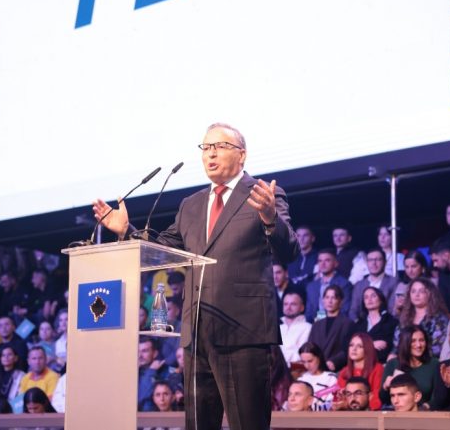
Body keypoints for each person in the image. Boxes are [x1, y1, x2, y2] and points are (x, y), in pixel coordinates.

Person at [92, 123, 299, 430]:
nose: (210, 154)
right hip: (196, 336)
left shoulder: (263, 194)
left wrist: (270, 217)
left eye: (220, 146)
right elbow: (163, 248)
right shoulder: (191, 205)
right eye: (205, 147)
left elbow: (290, 250)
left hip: (243, 333)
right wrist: (127, 230)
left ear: (242, 155)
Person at [380, 325, 438, 409]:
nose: (418, 345)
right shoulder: (392, 364)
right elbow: (383, 399)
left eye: (421, 340)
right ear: (405, 343)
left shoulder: (433, 364)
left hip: (424, 412)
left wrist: (422, 409)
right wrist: (386, 386)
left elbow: (437, 398)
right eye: (413, 341)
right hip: (396, 412)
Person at [390, 279, 449, 359]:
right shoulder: (405, 317)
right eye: (413, 291)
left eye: (421, 291)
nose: (416, 295)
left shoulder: (439, 319)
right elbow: (396, 344)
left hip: (428, 361)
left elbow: (437, 349)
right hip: (403, 360)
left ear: (430, 294)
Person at [307, 285, 354, 372]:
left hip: (336, 369)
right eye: (327, 297)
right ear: (323, 300)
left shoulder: (347, 323)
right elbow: (310, 346)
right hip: (316, 368)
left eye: (334, 298)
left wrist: (335, 361)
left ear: (341, 302)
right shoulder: (317, 324)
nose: (330, 301)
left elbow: (347, 349)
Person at [336, 333, 383, 410]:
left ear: (368, 349)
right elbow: (340, 398)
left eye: (360, 346)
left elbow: (376, 397)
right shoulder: (344, 371)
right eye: (351, 345)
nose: (354, 349)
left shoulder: (377, 368)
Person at [351, 287, 398, 364]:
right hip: (361, 363)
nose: (369, 299)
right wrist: (371, 344)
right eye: (366, 297)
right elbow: (351, 345)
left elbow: (391, 344)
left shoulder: (391, 321)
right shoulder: (358, 323)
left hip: (383, 363)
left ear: (381, 299)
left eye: (373, 296)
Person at [349, 248, 398, 320]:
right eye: (370, 260)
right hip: (363, 324)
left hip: (387, 323)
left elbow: (393, 309)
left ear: (385, 262)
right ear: (367, 263)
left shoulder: (393, 282)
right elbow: (353, 311)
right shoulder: (359, 285)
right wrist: (358, 323)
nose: (374, 263)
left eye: (378, 260)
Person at [305, 249, 352, 322]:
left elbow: (345, 310)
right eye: (320, 261)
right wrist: (318, 321)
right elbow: (309, 313)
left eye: (327, 260)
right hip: (314, 324)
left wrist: (324, 321)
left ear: (335, 263)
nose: (323, 264)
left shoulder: (344, 284)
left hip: (336, 323)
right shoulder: (311, 286)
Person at [279, 291, 312, 364]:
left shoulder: (307, 327)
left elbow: (301, 354)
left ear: (302, 308)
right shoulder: (279, 328)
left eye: (293, 304)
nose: (288, 307)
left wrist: (278, 357)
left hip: (295, 368)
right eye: (286, 304)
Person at [287, 226, 318, 293]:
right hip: (291, 293)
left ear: (312, 238)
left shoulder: (318, 257)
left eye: (305, 235)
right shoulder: (290, 257)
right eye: (298, 236)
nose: (301, 239)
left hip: (310, 292)